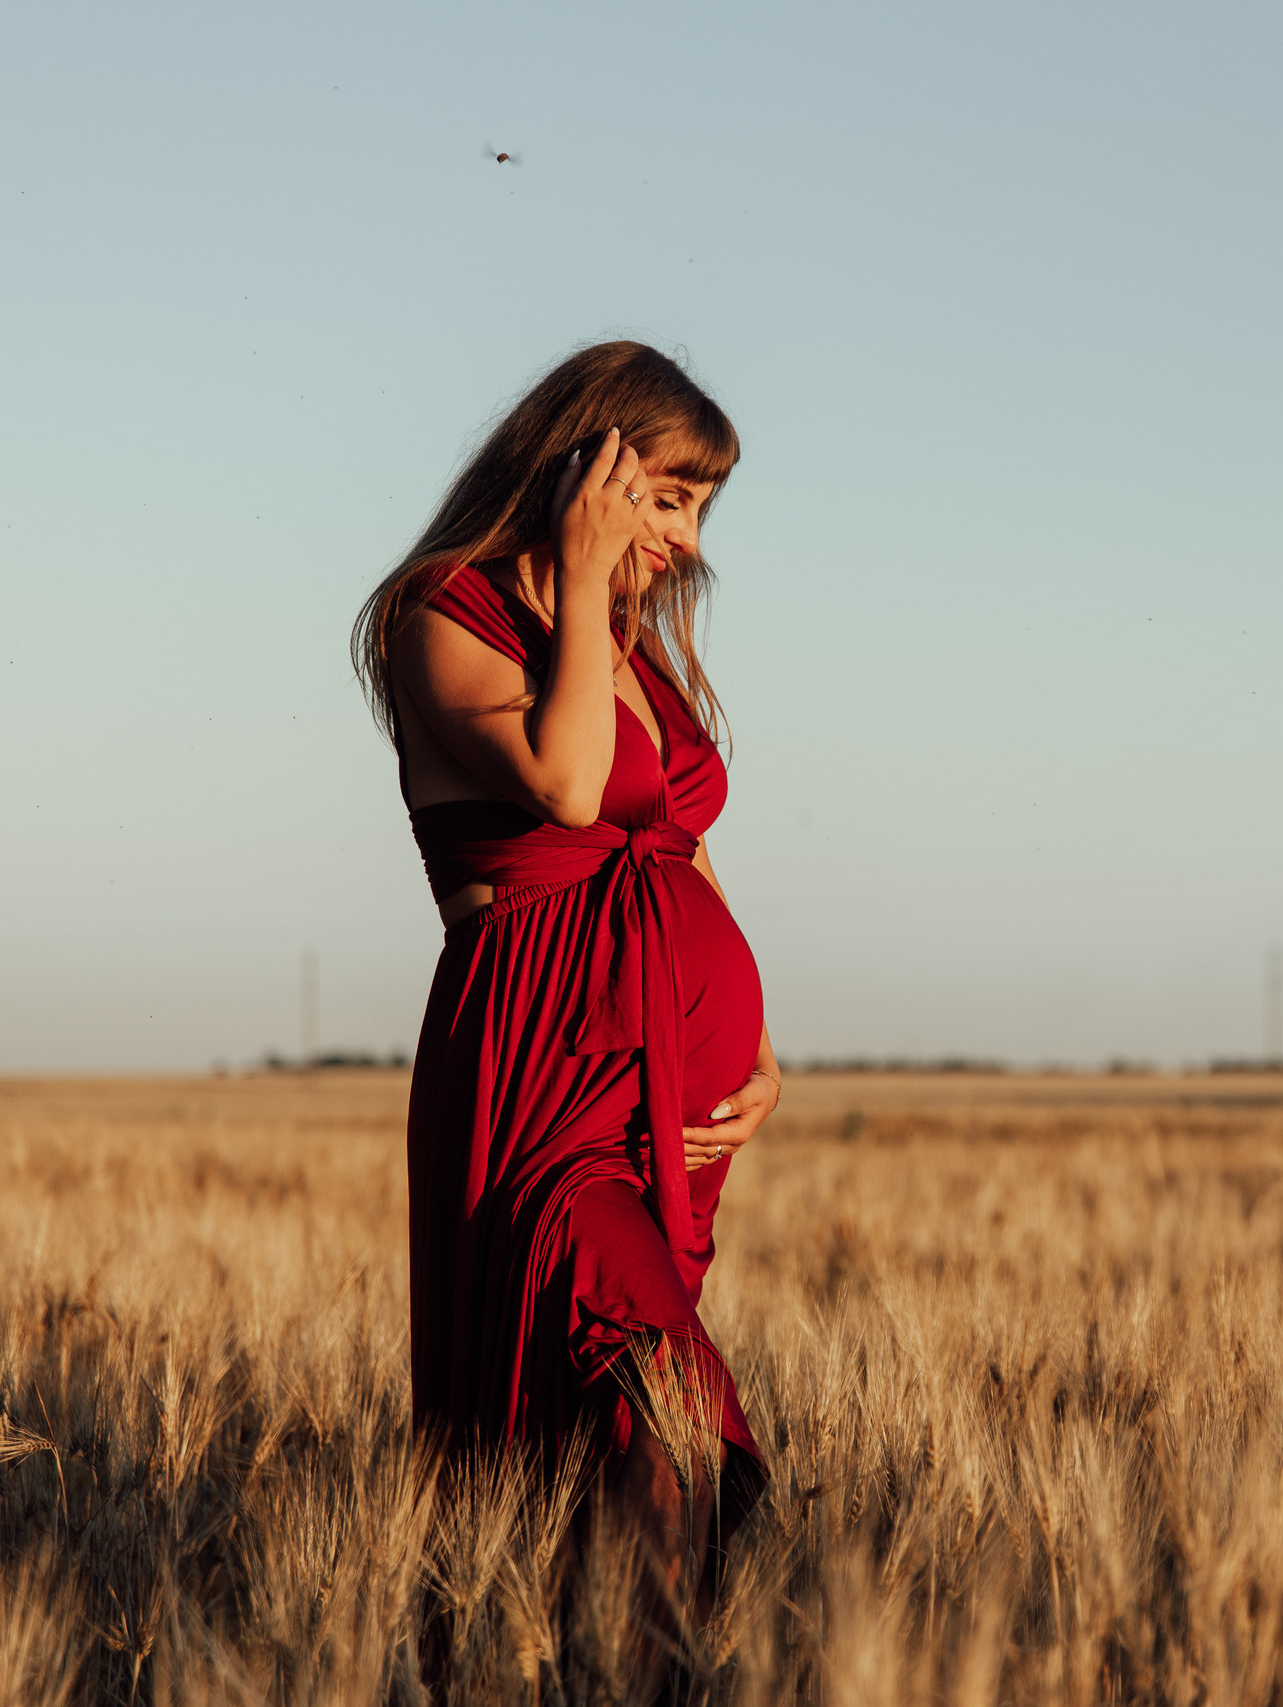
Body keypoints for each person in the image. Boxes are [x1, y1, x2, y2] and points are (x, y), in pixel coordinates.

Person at [352, 341, 779, 1586]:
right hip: (542, 1069)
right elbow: (570, 784)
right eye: (669, 499)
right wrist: (584, 581)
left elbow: (679, 845)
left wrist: (757, 1047)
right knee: (659, 1398)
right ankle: (614, 1660)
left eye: (701, 511)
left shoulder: (629, 648)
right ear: (583, 468)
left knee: (619, 1443)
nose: (686, 542)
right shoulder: (443, 614)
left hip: (663, 1103)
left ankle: (615, 1660)